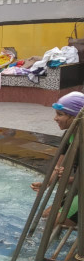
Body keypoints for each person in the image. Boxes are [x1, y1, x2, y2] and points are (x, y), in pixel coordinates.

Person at [31, 92, 84, 225]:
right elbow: (58, 167)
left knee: (53, 222)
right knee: (45, 217)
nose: (55, 118)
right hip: (78, 188)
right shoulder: (69, 135)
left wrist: (69, 179)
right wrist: (46, 183)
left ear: (75, 117)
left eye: (60, 114)